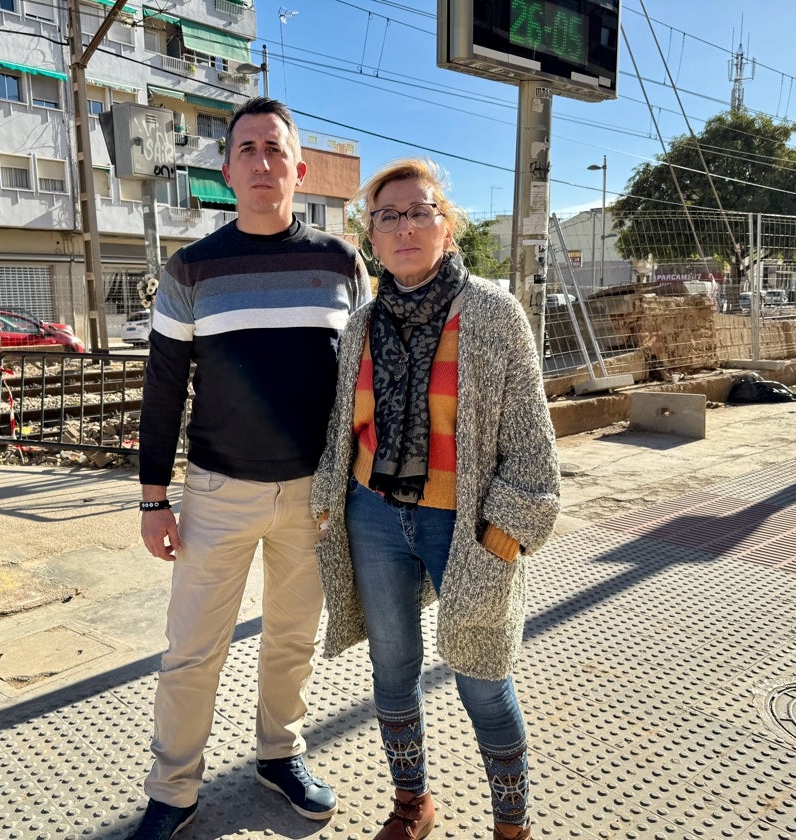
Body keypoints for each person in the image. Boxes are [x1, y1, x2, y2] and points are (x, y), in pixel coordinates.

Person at [133, 97, 371, 839]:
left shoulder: (339, 263)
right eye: (247, 150)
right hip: (216, 492)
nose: (262, 162)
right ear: (227, 171)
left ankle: (280, 755)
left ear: (299, 169)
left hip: (313, 495)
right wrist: (153, 498)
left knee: (292, 639)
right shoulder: (191, 269)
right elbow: (163, 386)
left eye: (275, 149)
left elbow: (366, 376)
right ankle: (173, 791)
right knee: (191, 652)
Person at [310, 159, 560, 840]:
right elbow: (344, 427)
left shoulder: (493, 313)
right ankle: (412, 803)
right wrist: (329, 505)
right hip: (373, 518)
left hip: (467, 524)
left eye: (420, 211)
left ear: (446, 229)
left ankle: (513, 824)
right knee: (391, 667)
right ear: (372, 238)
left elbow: (534, 450)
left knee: (483, 672)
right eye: (387, 216)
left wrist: (503, 535)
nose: (405, 227)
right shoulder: (360, 325)